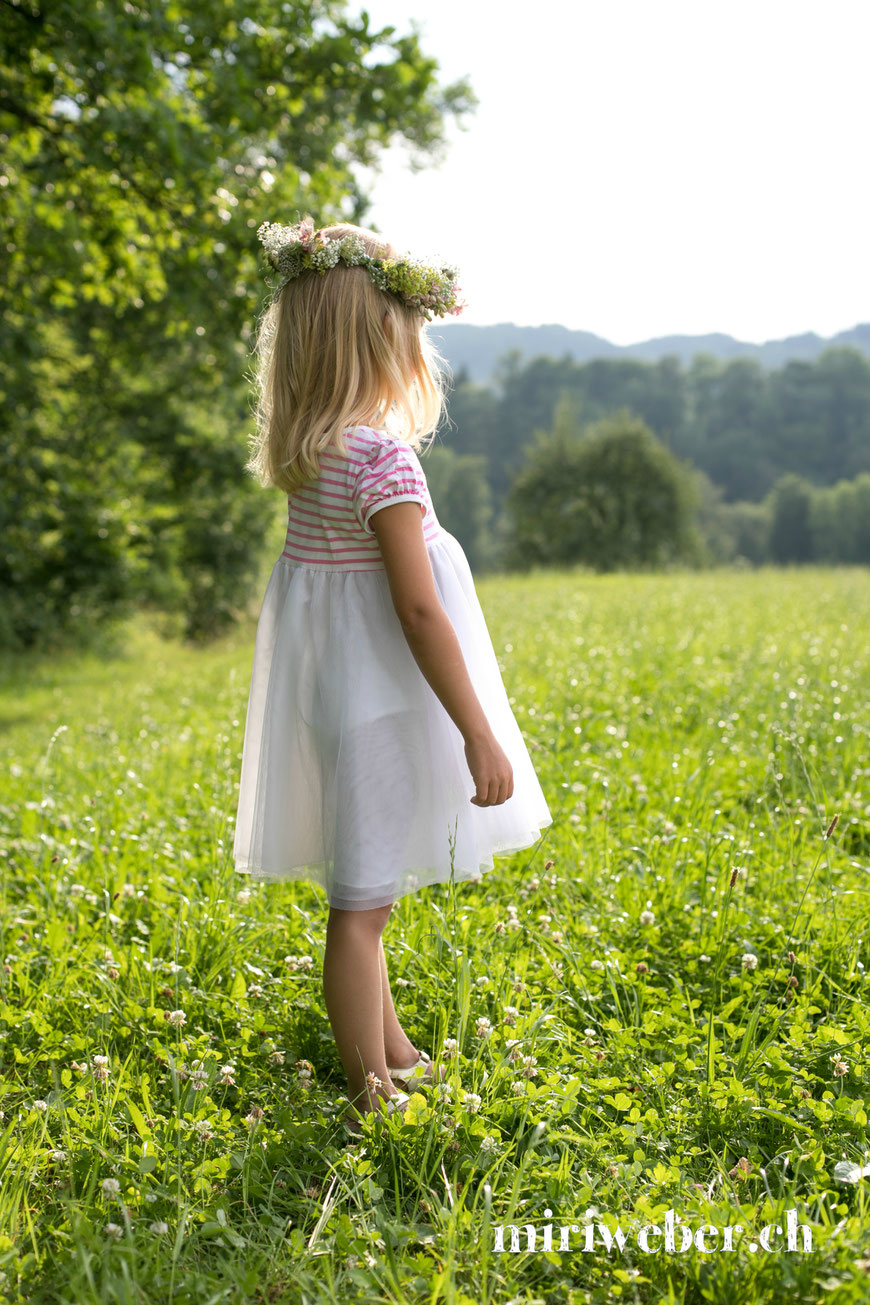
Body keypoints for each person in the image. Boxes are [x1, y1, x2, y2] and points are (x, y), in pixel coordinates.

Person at [233, 217, 553, 1136]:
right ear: (382, 342)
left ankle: (399, 1049)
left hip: (339, 697)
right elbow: (419, 611)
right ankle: (370, 1088)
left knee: (366, 888)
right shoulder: (380, 456)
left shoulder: (312, 456)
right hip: (379, 703)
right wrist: (480, 731)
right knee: (359, 909)